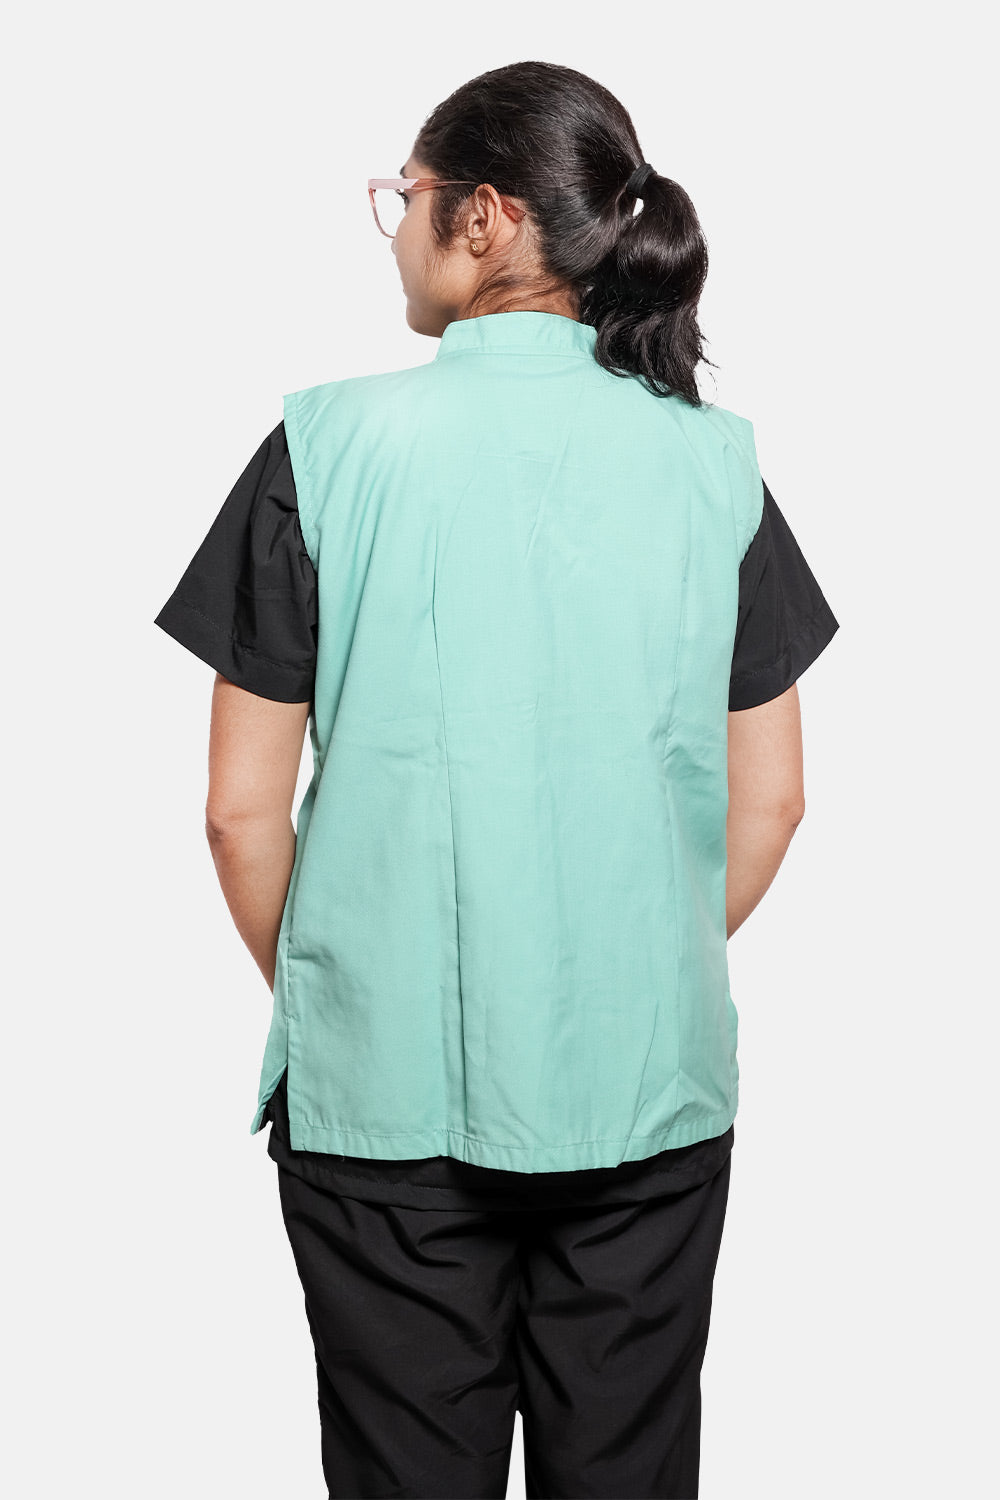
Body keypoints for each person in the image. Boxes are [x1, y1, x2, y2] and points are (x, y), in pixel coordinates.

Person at [154, 60, 838, 1500]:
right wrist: (630, 968)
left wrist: (348, 996)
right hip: (645, 1088)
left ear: (484, 216)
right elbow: (772, 799)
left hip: (383, 1110)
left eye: (403, 197)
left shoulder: (321, 449)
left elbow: (236, 810)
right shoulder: (716, 464)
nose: (396, 230)